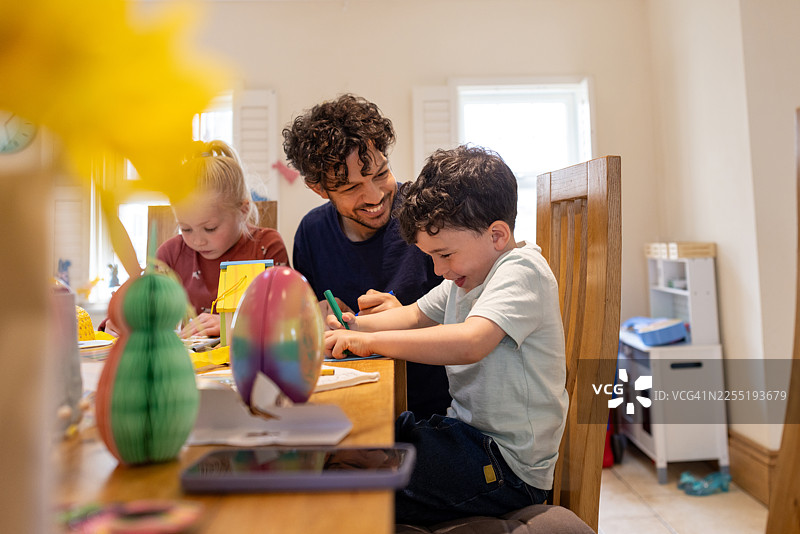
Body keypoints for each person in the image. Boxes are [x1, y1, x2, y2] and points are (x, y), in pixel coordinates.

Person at [324, 145, 569, 525]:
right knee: (365, 440)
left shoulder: (521, 271)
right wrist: (350, 325)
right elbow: (412, 315)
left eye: (444, 255)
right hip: (463, 436)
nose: (438, 269)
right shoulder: (466, 275)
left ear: (497, 235)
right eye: (431, 257)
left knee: (360, 487)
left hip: (507, 467)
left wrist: (368, 342)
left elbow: (472, 342)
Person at [283, 94, 451, 418]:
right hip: (342, 404)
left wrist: (409, 318)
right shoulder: (311, 234)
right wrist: (315, 319)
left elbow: (471, 325)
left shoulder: (430, 217)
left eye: (380, 174)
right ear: (319, 189)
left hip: (427, 412)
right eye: (351, 188)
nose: (374, 196)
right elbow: (311, 324)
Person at [102, 140, 289, 337]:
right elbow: (142, 305)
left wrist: (233, 325)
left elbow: (290, 317)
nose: (197, 241)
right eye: (186, 229)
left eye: (210, 228)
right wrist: (121, 320)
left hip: (250, 363)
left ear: (243, 210)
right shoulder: (171, 254)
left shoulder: (266, 247)